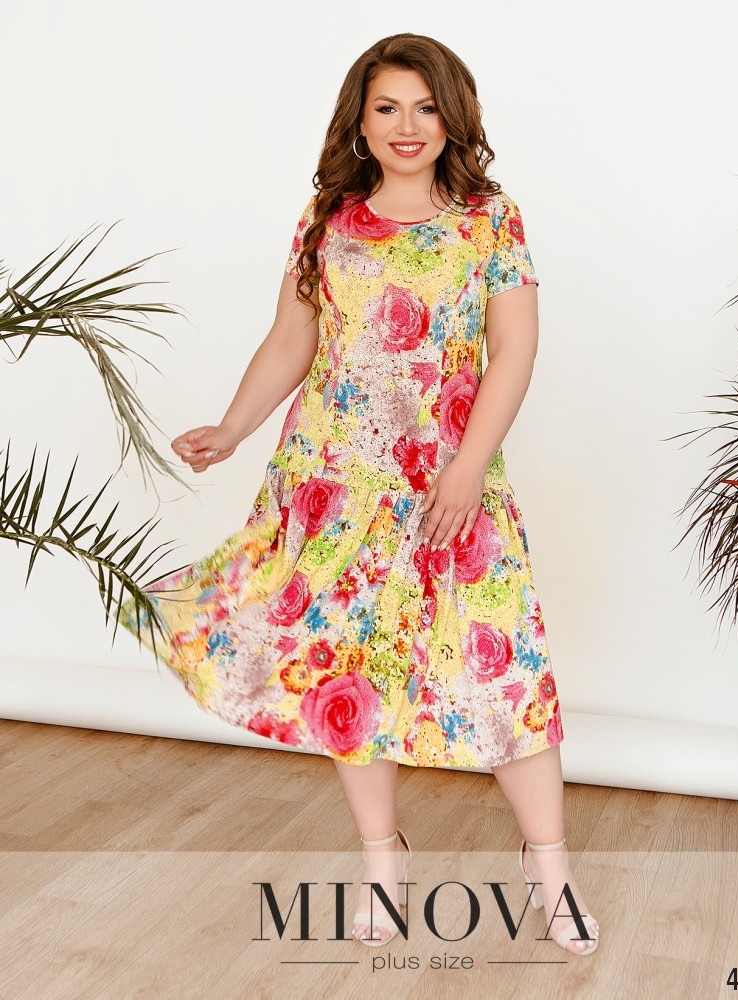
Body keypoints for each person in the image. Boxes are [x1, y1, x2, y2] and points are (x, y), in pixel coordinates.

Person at [117, 32, 599, 954]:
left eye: (426, 107)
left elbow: (515, 350)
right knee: (350, 674)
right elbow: (291, 340)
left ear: (452, 119)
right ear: (361, 121)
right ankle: (384, 860)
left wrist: (467, 466)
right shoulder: (326, 219)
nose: (407, 126)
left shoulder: (489, 220)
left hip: (450, 485)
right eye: (388, 108)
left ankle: (551, 867)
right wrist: (233, 425)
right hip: (333, 487)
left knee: (504, 675)